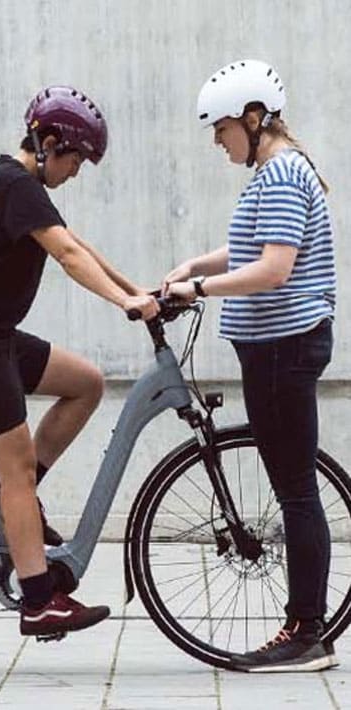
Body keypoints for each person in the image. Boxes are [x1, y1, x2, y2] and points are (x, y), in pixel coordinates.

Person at [0, 85, 159, 638]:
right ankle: (39, 601)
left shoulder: (24, 188)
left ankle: (18, 499)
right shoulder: (13, 183)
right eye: (76, 158)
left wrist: (135, 290)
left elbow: (79, 245)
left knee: (86, 383)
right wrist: (124, 305)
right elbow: (68, 257)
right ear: (48, 143)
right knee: (16, 469)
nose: (77, 171)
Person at [163, 60, 337, 672]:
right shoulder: (271, 173)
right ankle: (307, 626)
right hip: (272, 348)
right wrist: (193, 266)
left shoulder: (283, 173)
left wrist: (200, 293)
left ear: (254, 118)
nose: (217, 141)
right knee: (293, 486)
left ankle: (307, 631)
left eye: (222, 129)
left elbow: (275, 270)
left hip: (286, 347)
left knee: (295, 491)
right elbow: (250, 249)